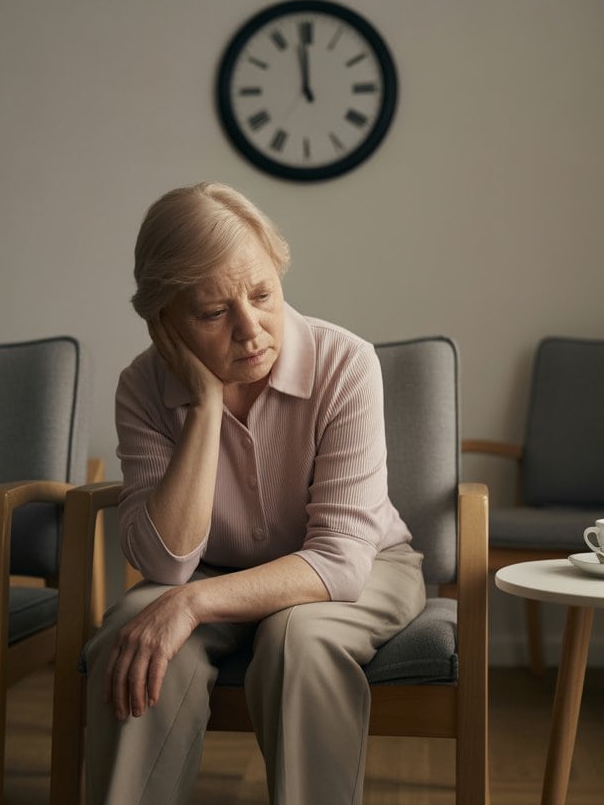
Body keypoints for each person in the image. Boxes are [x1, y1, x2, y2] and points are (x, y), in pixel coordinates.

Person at [85, 182, 426, 804]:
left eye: (263, 294)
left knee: (301, 639)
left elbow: (341, 563)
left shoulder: (346, 363)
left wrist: (193, 605)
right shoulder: (142, 387)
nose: (250, 330)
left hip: (361, 566)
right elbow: (165, 564)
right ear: (165, 322)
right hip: (207, 567)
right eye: (213, 313)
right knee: (130, 636)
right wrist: (206, 401)